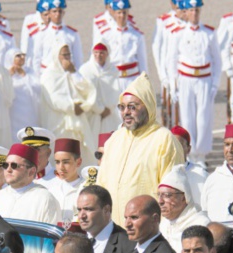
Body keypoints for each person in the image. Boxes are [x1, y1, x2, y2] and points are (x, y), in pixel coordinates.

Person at [97, 73, 185, 225]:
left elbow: (171, 195)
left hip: (147, 232)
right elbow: (101, 185)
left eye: (132, 107)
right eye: (122, 107)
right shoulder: (114, 140)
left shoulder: (164, 139)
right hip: (113, 232)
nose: (126, 112)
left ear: (148, 106)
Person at [166, 0, 221, 162]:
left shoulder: (209, 33)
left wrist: (215, 83)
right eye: (191, 10)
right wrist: (172, 84)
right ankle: (189, 154)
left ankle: (201, 155)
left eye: (197, 10)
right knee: (187, 117)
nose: (194, 14)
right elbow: (172, 60)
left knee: (204, 118)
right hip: (186, 79)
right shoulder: (178, 32)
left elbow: (217, 60)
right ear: (186, 12)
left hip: (204, 79)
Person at [39, 43, 96, 165]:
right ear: (56, 56)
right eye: (64, 55)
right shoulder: (49, 74)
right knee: (61, 153)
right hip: (59, 122)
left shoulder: (71, 72)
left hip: (77, 121)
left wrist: (74, 72)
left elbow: (86, 90)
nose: (67, 58)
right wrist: (72, 107)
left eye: (69, 54)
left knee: (79, 153)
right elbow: (53, 99)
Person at [77, 185, 134, 253]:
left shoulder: (128, 245)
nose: (81, 215)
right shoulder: (77, 244)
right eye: (79, 210)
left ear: (107, 210)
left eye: (88, 209)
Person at [0, 143, 61, 225]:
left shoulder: (45, 199)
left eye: (14, 165)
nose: (8, 169)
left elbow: (51, 236)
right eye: (5, 165)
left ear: (31, 171)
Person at [158, 165, 210, 253]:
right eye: (159, 195)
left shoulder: (200, 223)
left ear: (184, 197)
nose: (160, 201)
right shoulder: (162, 225)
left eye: (167, 195)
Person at [97, 0, 148, 93]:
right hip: (114, 79)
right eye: (119, 13)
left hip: (132, 78)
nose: (122, 16)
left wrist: (144, 83)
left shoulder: (136, 35)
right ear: (114, 13)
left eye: (124, 12)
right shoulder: (106, 35)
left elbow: (142, 61)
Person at [79, 42, 122, 137]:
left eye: (102, 52)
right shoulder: (85, 70)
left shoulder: (113, 71)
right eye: (96, 52)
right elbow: (85, 92)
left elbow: (116, 91)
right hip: (91, 114)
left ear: (107, 54)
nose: (98, 55)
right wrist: (99, 109)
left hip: (108, 114)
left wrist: (108, 109)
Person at [29, 0, 83, 74]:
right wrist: (37, 77)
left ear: (63, 13)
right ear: (49, 14)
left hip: (65, 74)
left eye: (60, 11)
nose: (57, 14)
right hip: (47, 74)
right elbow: (36, 58)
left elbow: (78, 59)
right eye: (54, 11)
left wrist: (77, 75)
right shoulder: (42, 34)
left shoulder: (72, 34)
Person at [170, 125, 208, 209]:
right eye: (172, 145)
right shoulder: (161, 171)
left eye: (179, 145)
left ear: (188, 149)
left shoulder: (200, 174)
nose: (175, 149)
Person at [45, 138, 85, 220]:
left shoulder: (85, 188)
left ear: (78, 162)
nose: (61, 167)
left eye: (66, 162)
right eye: (57, 162)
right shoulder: (51, 189)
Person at [5, 48, 40, 137]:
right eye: (18, 56)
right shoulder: (5, 72)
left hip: (29, 112)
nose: (22, 57)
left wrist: (24, 75)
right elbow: (2, 90)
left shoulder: (30, 71)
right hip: (13, 113)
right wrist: (9, 76)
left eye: (23, 55)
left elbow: (38, 88)